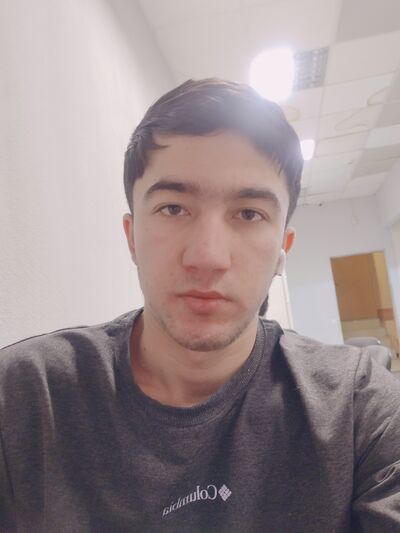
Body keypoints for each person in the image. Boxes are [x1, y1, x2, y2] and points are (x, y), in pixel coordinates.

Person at [0, 78, 399, 533]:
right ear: (132, 237)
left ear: (281, 250)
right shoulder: (25, 396)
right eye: (173, 208)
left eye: (249, 214)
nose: (208, 257)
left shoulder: (357, 407)